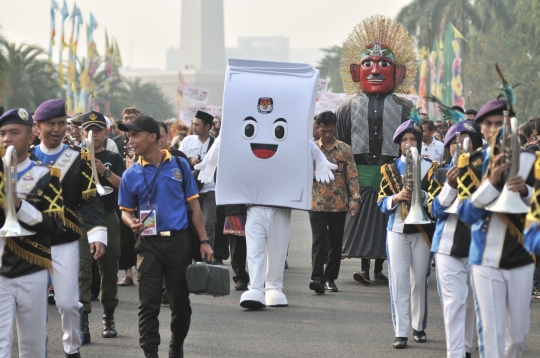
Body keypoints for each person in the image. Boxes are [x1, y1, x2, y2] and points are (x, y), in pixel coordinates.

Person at [118, 115, 213, 358]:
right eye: (128, 136)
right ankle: (150, 352)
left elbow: (195, 209)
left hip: (179, 243)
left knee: (180, 304)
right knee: (147, 305)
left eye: (135, 135)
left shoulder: (180, 166)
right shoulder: (130, 174)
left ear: (152, 137)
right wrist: (132, 223)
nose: (130, 140)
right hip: (148, 244)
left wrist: (203, 241)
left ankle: (176, 344)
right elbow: (125, 212)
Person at [335, 15, 416, 285]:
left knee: (387, 219)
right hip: (361, 173)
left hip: (392, 173)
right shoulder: (346, 108)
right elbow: (341, 145)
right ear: (357, 72)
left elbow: (411, 141)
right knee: (363, 221)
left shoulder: (405, 108)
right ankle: (365, 267)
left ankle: (381, 268)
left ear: (399, 72)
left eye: (385, 64)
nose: (375, 69)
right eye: (368, 64)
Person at [458, 97, 535, 358]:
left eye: (499, 124)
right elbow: (465, 213)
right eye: (488, 124)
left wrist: (525, 190)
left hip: (522, 256)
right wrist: (490, 183)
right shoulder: (471, 163)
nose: (494, 129)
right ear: (480, 128)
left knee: (516, 340)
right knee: (492, 337)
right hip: (485, 257)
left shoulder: (531, 161)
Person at [31, 99, 107, 358]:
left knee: (67, 303)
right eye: (50, 124)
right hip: (31, 241)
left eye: (61, 123)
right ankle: (36, 350)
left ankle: (72, 349)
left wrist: (97, 234)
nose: (57, 129)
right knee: (34, 304)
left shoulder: (79, 157)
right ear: (37, 127)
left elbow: (91, 199)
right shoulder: (26, 157)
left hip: (66, 238)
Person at [0, 108, 64, 357]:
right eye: (2, 133)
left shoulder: (46, 176)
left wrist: (19, 207)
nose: (6, 139)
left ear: (30, 137)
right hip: (0, 271)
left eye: (14, 132)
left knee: (33, 346)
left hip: (32, 269)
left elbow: (55, 226)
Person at [377, 115, 436, 349]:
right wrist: (397, 197)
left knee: (419, 280)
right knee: (399, 281)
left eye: (413, 138)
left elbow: (436, 197)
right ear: (399, 143)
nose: (409, 143)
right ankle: (400, 331)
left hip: (421, 229)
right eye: (405, 139)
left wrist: (421, 196)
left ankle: (419, 326)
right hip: (397, 229)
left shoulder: (431, 167)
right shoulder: (389, 169)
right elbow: (382, 202)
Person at [428, 119, 482, 358]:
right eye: (456, 142)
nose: (461, 146)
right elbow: (434, 211)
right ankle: (456, 354)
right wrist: (450, 186)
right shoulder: (438, 172)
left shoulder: (485, 171)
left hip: (477, 246)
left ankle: (468, 350)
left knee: (472, 304)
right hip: (447, 247)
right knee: (455, 304)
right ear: (449, 145)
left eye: (467, 142)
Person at [79, 111, 125, 343]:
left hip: (108, 215)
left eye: (97, 130)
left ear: (105, 132)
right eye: (88, 130)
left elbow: (124, 187)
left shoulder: (112, 157)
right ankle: (83, 319)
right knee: (83, 270)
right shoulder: (75, 156)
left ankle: (109, 316)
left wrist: (104, 171)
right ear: (82, 132)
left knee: (109, 267)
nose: (93, 134)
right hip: (82, 218)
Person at [309, 111, 361, 294]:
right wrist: (313, 175)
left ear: (335, 128)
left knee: (336, 242)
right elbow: (300, 173)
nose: (327, 135)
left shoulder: (345, 150)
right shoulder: (311, 149)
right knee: (318, 240)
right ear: (317, 129)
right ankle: (317, 277)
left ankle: (330, 278)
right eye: (323, 131)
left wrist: (356, 199)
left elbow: (352, 177)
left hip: (339, 204)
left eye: (330, 131)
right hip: (317, 202)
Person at [180, 110, 217, 248]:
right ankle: (195, 255)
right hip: (191, 189)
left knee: (209, 222)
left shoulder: (216, 143)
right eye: (193, 124)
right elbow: (178, 160)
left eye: (197, 124)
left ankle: (208, 255)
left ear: (207, 127)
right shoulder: (188, 141)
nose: (193, 127)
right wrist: (190, 159)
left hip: (210, 189)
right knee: (191, 222)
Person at [113, 107, 141, 286]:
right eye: (126, 117)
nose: (129, 119)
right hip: (123, 191)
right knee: (125, 234)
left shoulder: (143, 139)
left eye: (132, 117)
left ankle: (145, 269)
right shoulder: (115, 142)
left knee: (144, 230)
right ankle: (128, 273)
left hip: (143, 191)